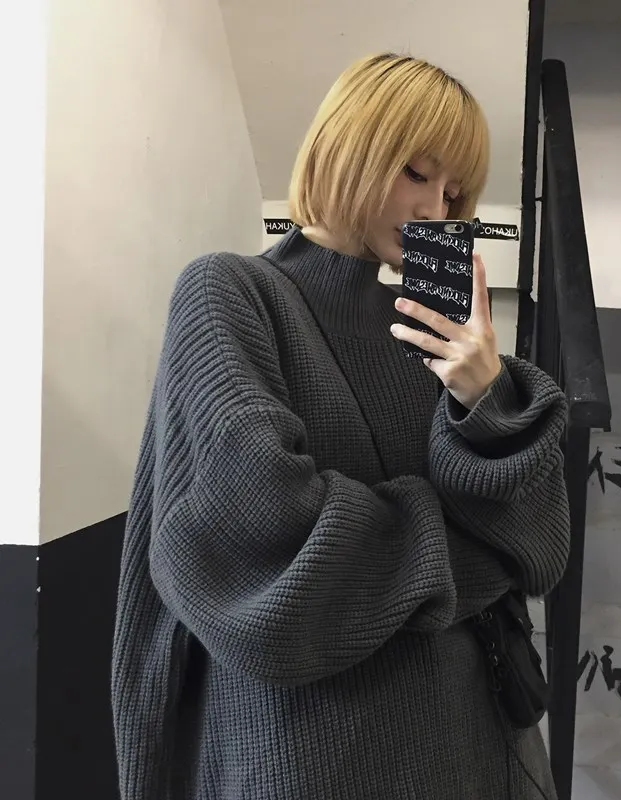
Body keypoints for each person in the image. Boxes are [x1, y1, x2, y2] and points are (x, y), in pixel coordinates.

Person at [111, 52, 570, 800]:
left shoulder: (434, 338)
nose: (436, 209)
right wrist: (483, 549)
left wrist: (486, 397)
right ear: (351, 147)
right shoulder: (233, 294)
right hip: (320, 764)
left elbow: (545, 547)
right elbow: (271, 568)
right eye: (417, 172)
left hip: (486, 753)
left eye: (454, 191)